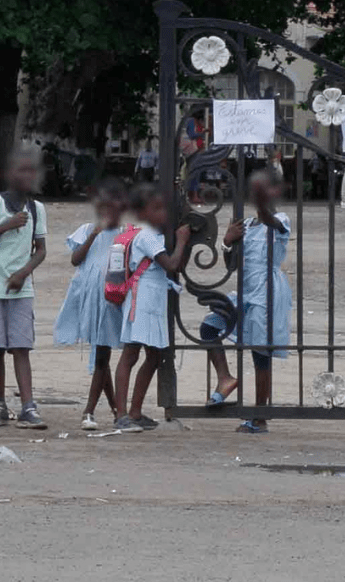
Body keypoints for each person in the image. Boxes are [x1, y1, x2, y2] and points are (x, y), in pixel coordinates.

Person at [203, 169, 292, 434]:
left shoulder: (280, 219)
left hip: (267, 290)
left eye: (262, 190)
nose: (257, 196)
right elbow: (232, 264)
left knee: (259, 353)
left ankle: (259, 416)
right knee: (209, 328)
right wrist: (227, 242)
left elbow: (268, 217)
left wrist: (261, 199)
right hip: (245, 290)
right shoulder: (247, 224)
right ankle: (225, 378)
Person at [0, 145, 49, 429]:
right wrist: (7, 225)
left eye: (32, 171)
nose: (28, 176)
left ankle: (28, 406)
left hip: (21, 287)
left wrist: (23, 273)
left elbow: (40, 250)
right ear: (9, 175)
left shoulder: (37, 209)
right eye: (22, 170)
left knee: (21, 347)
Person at [113, 183, 191, 432]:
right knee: (131, 353)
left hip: (153, 298)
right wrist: (182, 241)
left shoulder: (156, 234)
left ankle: (135, 411)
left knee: (154, 355)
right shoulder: (145, 234)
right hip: (142, 298)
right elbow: (171, 265)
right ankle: (122, 414)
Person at [53, 177, 126, 430]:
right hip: (87, 299)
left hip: (109, 301)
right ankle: (116, 410)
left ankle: (89, 411)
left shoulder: (124, 235)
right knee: (100, 356)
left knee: (102, 355)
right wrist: (94, 234)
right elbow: (76, 259)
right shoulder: (87, 229)